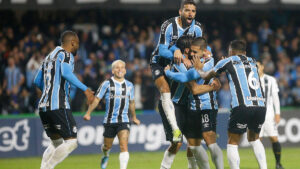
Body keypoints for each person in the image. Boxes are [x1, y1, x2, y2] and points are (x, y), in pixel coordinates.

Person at [193, 40, 267, 169]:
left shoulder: (227, 61)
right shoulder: (253, 61)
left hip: (242, 105)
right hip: (260, 105)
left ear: (231, 52)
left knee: (232, 142)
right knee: (255, 139)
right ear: (244, 52)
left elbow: (206, 76)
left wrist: (199, 68)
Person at [34, 30, 95, 169]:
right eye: (77, 44)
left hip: (43, 105)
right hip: (58, 104)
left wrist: (48, 90)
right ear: (72, 43)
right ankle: (48, 167)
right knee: (71, 142)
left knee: (57, 144)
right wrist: (85, 89)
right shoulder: (65, 55)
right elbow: (66, 72)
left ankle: (44, 167)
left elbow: (37, 81)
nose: (77, 47)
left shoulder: (49, 57)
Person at [165, 37, 224, 169]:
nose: (192, 54)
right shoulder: (193, 61)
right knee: (194, 145)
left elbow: (188, 80)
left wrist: (168, 73)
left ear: (204, 51)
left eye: (195, 52)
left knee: (210, 141)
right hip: (192, 107)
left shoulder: (209, 61)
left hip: (207, 106)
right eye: (191, 51)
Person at [150, 0, 203, 142]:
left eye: (193, 11)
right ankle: (175, 129)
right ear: (180, 12)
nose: (190, 13)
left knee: (188, 89)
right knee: (165, 90)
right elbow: (161, 50)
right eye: (187, 10)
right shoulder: (168, 26)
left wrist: (196, 58)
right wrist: (175, 53)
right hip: (160, 63)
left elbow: (198, 48)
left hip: (179, 63)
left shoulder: (197, 28)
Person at [83, 60, 140, 169]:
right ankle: (105, 155)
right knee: (106, 147)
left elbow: (132, 102)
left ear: (125, 70)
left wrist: (134, 117)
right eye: (117, 68)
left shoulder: (129, 85)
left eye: (122, 67)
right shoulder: (106, 84)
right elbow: (96, 99)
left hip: (124, 120)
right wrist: (88, 113)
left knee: (123, 146)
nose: (120, 70)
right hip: (109, 121)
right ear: (113, 70)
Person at [257, 60, 284, 169]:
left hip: (268, 115)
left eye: (258, 66)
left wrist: (277, 113)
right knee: (257, 141)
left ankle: (278, 163)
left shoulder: (271, 79)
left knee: (274, 138)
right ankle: (262, 166)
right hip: (256, 115)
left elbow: (275, 98)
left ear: (262, 67)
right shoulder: (250, 80)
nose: (256, 68)